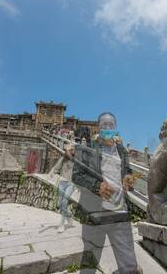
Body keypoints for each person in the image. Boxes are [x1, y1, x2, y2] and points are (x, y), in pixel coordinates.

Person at [72, 112, 142, 274]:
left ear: (115, 128)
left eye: (111, 125)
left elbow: (128, 171)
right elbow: (77, 175)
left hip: (120, 213)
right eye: (104, 125)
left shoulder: (122, 151)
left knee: (130, 266)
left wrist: (128, 178)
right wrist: (97, 185)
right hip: (95, 214)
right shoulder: (87, 149)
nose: (107, 128)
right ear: (98, 127)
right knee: (89, 263)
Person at [49, 144, 76, 233]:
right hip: (62, 182)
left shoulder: (76, 160)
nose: (66, 152)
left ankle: (61, 224)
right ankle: (69, 216)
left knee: (64, 202)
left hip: (70, 184)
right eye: (66, 150)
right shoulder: (63, 158)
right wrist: (52, 172)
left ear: (72, 151)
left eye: (68, 150)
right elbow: (56, 167)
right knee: (60, 204)